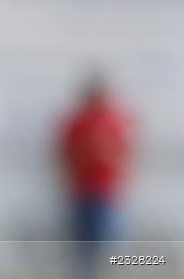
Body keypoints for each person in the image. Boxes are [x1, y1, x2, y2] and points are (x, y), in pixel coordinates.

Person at [58, 70, 134, 278]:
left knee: (104, 245)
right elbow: (65, 151)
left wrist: (106, 155)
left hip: (104, 191)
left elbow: (124, 152)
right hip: (81, 190)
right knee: (83, 246)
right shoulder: (78, 122)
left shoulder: (113, 121)